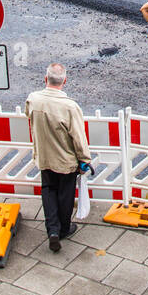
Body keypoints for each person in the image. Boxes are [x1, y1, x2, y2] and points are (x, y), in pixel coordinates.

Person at [25, 63, 93, 252]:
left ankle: (52, 230)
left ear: (45, 79)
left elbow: (28, 115)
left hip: (45, 157)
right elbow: (79, 137)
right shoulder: (70, 107)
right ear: (65, 81)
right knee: (65, 194)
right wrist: (84, 160)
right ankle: (63, 228)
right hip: (65, 160)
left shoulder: (33, 100)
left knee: (48, 191)